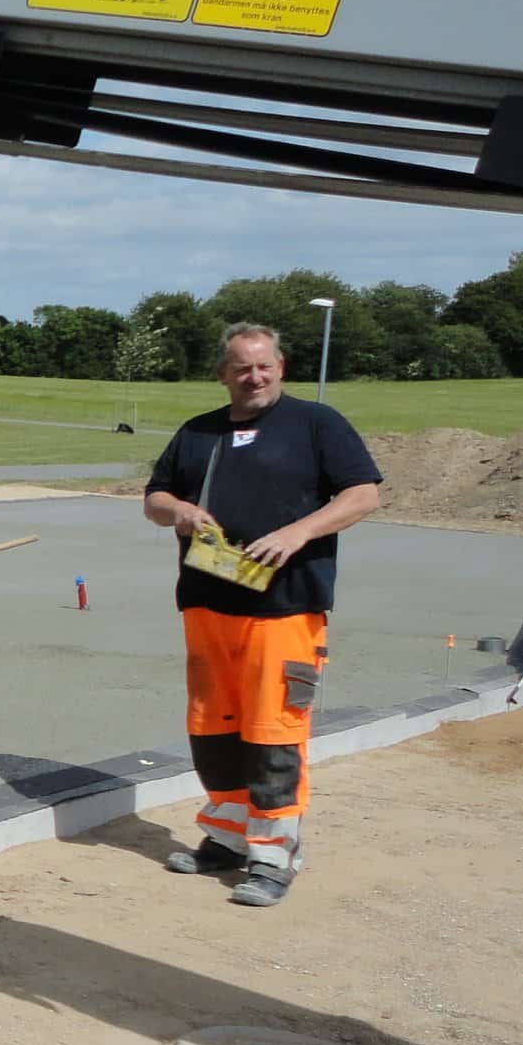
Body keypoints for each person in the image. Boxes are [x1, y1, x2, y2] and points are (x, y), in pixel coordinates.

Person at [142, 323, 382, 906]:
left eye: (263, 366)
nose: (253, 377)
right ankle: (226, 835)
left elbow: (363, 494)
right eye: (241, 368)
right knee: (213, 725)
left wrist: (298, 533)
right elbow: (154, 498)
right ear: (223, 374)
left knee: (274, 727)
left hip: (285, 607)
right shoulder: (198, 432)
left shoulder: (316, 425)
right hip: (207, 601)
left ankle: (274, 853)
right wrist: (179, 510)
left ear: (282, 365)